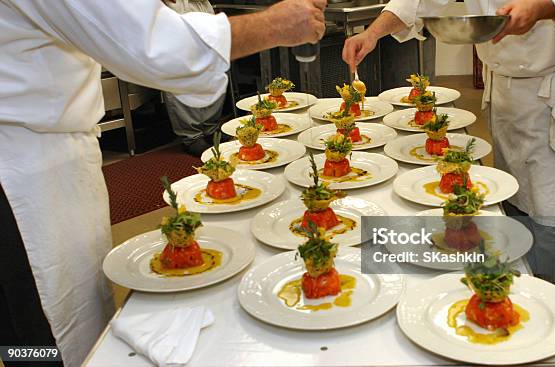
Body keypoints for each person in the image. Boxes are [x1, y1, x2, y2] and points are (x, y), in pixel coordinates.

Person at [0, 0, 326, 366]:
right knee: (42, 329)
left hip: (41, 150)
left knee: (33, 322)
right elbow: (151, 44)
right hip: (19, 174)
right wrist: (274, 25)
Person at [343, 0, 555, 301]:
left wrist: (542, 7)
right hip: (508, 94)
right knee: (513, 206)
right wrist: (373, 32)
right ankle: (519, 302)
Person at [162, 0, 228, 156]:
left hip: (203, 6)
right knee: (181, 73)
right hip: (176, 8)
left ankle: (210, 128)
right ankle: (191, 137)